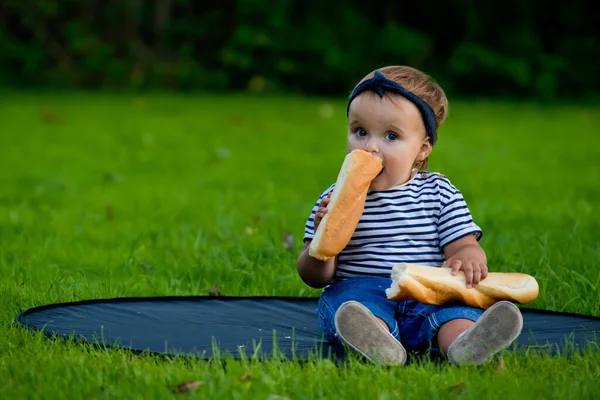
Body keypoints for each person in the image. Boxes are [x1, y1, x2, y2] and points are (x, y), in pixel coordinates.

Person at [296, 66, 523, 366]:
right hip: (362, 291)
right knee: (351, 309)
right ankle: (377, 343)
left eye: (391, 136)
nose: (371, 146)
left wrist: (469, 256)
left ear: (422, 149)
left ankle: (467, 344)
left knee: (453, 314)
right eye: (359, 132)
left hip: (427, 292)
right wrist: (323, 245)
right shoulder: (335, 197)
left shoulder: (439, 192)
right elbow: (313, 277)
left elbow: (463, 245)